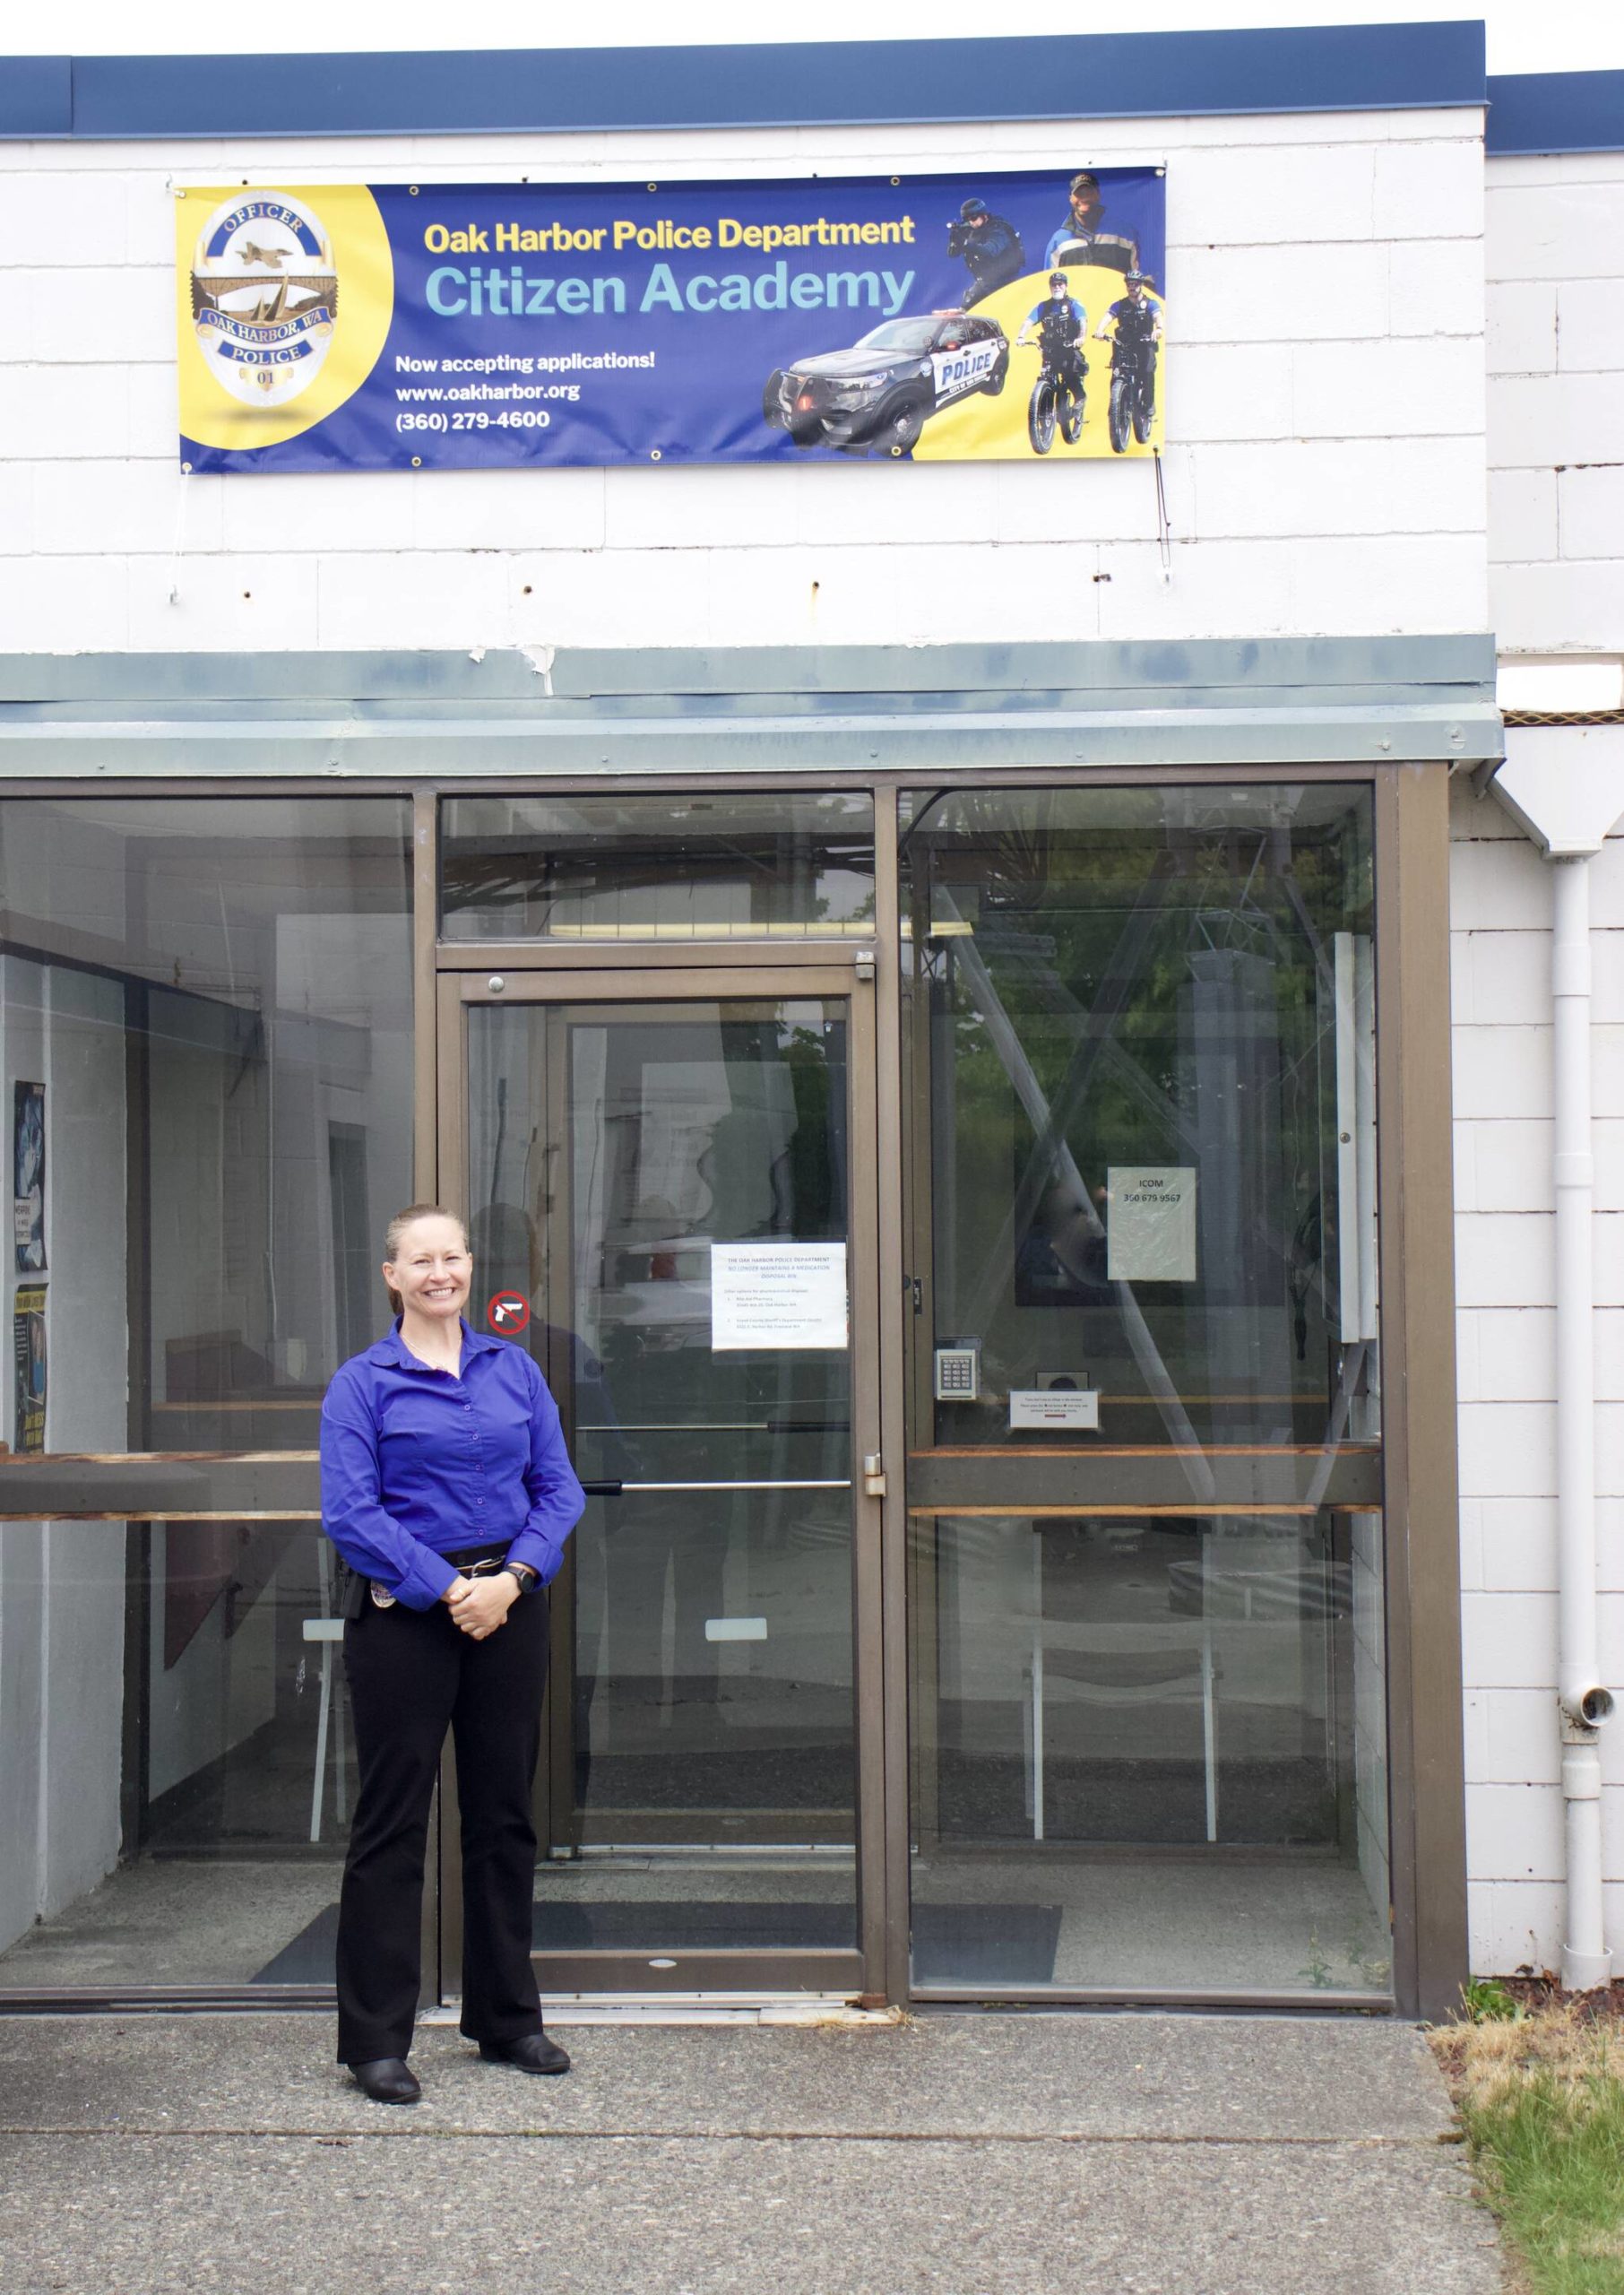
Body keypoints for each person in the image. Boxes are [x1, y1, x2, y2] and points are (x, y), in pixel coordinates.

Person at [319, 1202, 586, 2105]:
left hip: (509, 1608)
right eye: (420, 1260)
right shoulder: (363, 1383)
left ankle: (507, 2019)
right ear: (391, 1275)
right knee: (393, 1822)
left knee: (504, 1815)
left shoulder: (515, 1369)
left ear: (472, 1267)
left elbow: (558, 1488)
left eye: (454, 1257)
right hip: (406, 1618)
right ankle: (376, 2042)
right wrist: (449, 1589)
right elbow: (352, 1514)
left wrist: (511, 1580)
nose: (440, 1273)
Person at [1044, 170, 1139, 276]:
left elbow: (1140, 281)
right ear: (1070, 198)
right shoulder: (1058, 241)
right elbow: (1049, 287)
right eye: (1079, 194)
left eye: (1089, 193)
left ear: (1098, 195)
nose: (1084, 198)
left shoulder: (1125, 234)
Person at [946, 195, 1025, 307]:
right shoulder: (971, 230)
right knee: (965, 311)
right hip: (985, 282)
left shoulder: (998, 229)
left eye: (973, 219)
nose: (971, 223)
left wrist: (966, 243)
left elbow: (990, 251)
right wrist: (955, 239)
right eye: (967, 220)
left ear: (984, 216)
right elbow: (952, 253)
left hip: (1005, 282)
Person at [1016, 273, 1088, 392]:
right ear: (1050, 287)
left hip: (1068, 350)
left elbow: (1082, 321)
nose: (1057, 287)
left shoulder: (1073, 304)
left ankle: (1079, 401)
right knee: (1046, 377)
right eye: (1054, 285)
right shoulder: (1044, 306)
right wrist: (1021, 336)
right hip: (1050, 350)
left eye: (1060, 284)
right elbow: (1028, 321)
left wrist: (1081, 337)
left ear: (1066, 286)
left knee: (1071, 381)